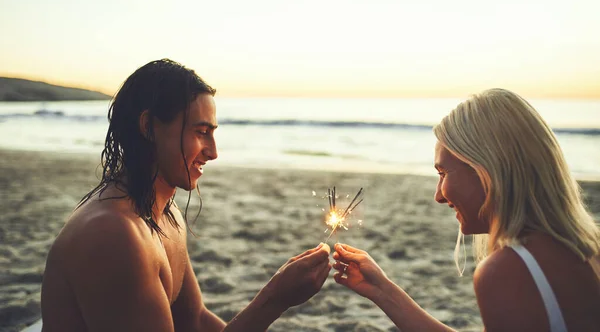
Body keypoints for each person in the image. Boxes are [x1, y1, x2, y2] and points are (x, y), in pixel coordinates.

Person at [40, 59, 331, 331]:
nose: (213, 152)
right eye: (201, 131)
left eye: (213, 132)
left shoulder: (166, 214)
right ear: (149, 127)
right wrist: (274, 299)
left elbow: (195, 321)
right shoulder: (113, 234)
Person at [332, 88, 600, 331]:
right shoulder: (587, 248)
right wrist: (382, 290)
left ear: (487, 169)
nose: (438, 196)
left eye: (443, 172)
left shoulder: (510, 270)